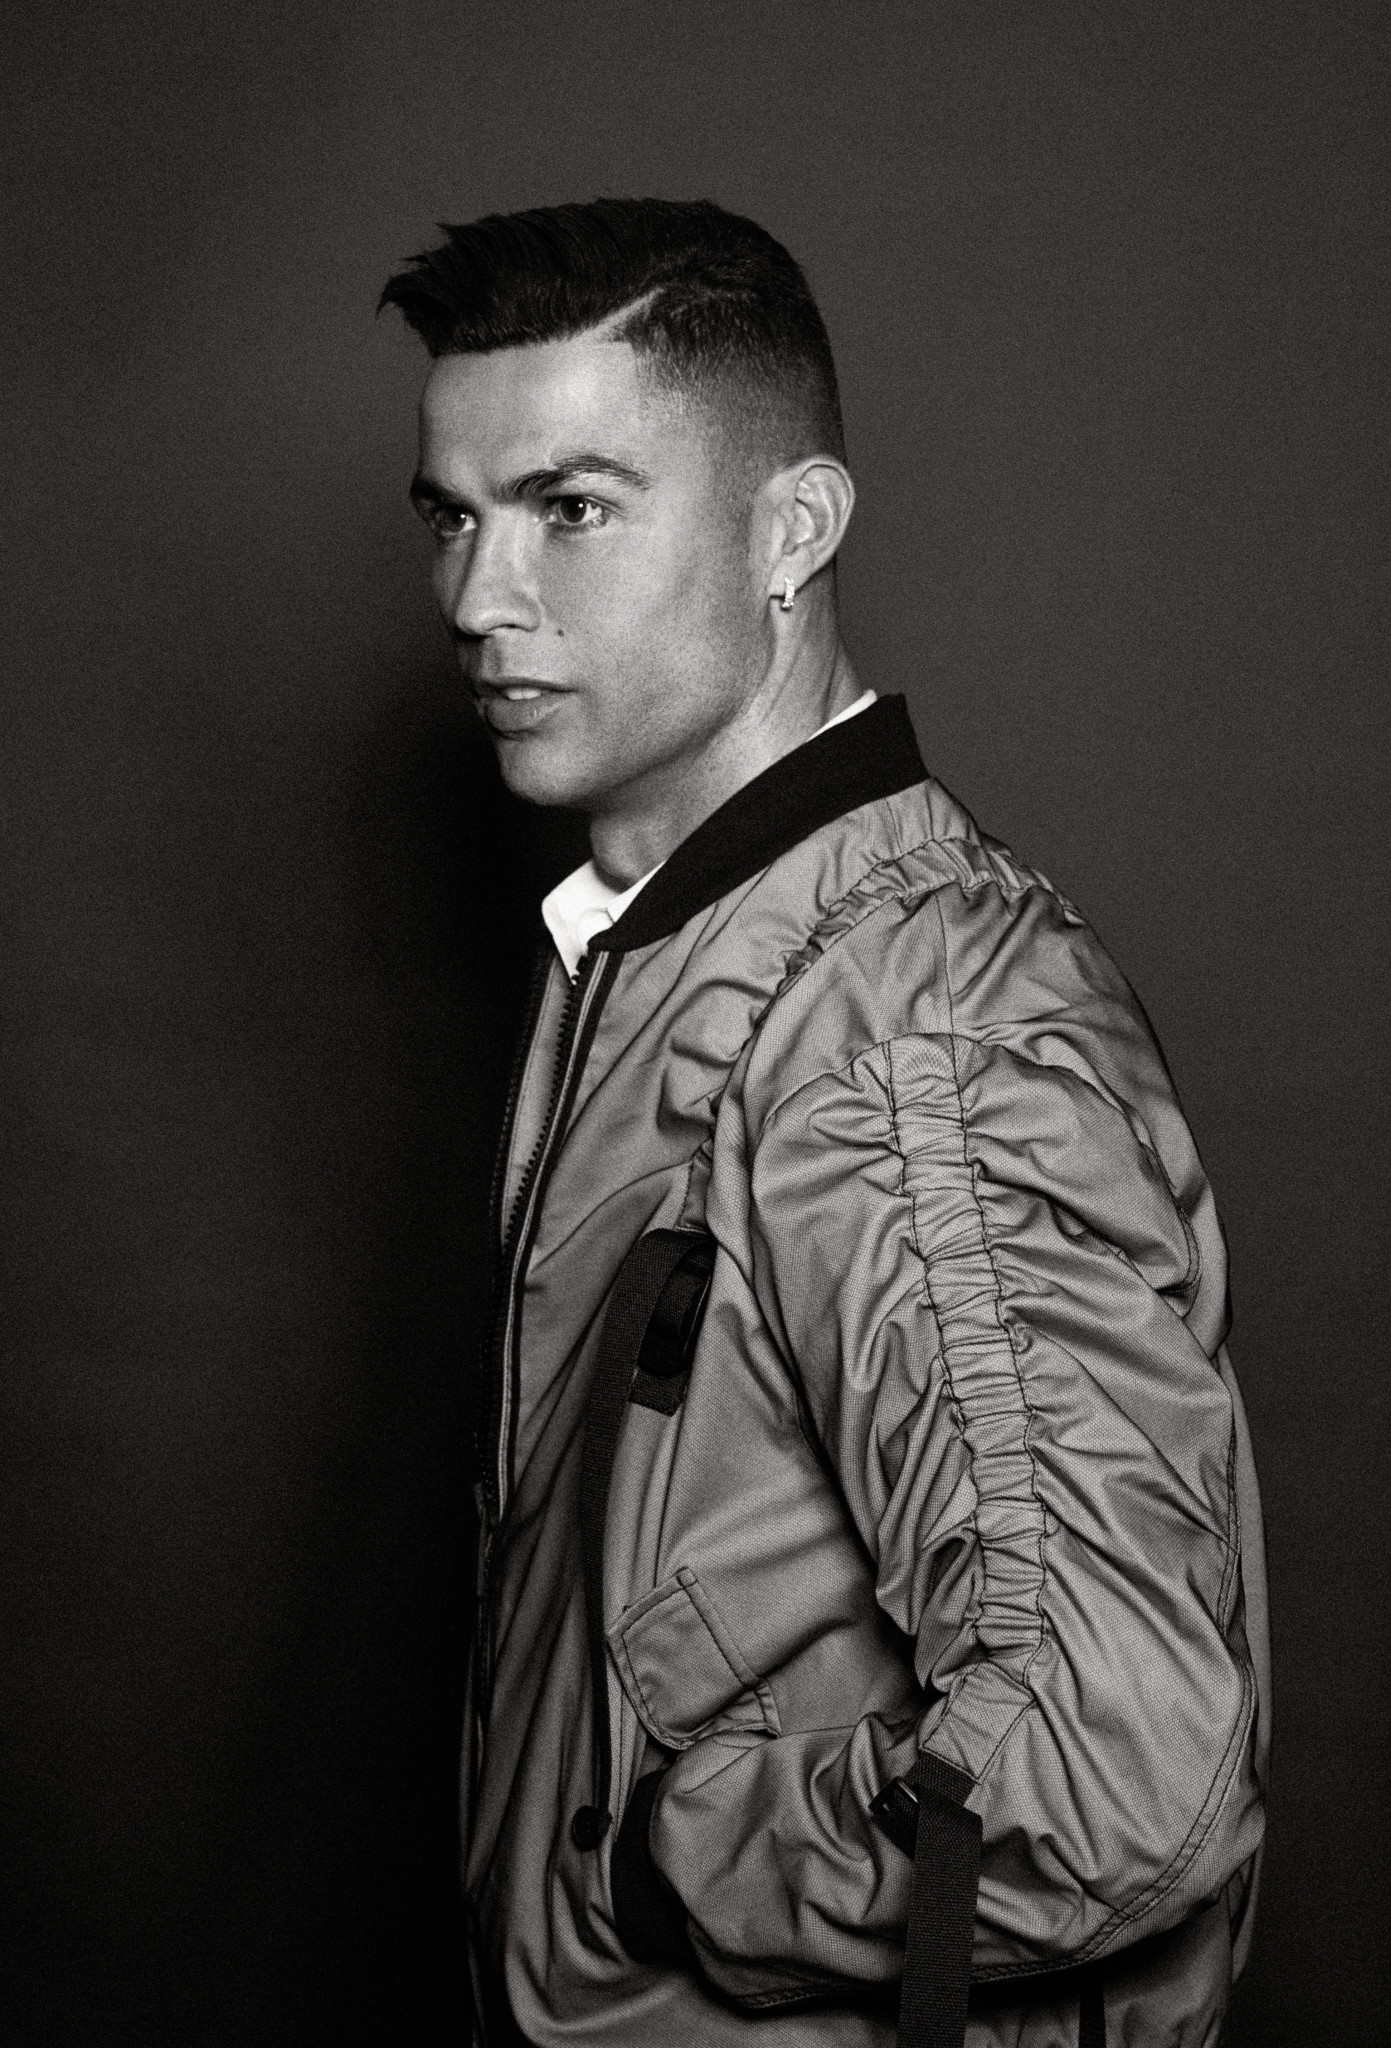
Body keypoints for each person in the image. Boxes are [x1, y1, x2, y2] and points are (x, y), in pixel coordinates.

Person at [380, 198, 1270, 2048]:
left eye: (569, 508)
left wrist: (656, 1865)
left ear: (792, 530)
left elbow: (1118, 1770)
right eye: (453, 518)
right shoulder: (663, 953)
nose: (478, 599)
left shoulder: (903, 1037)